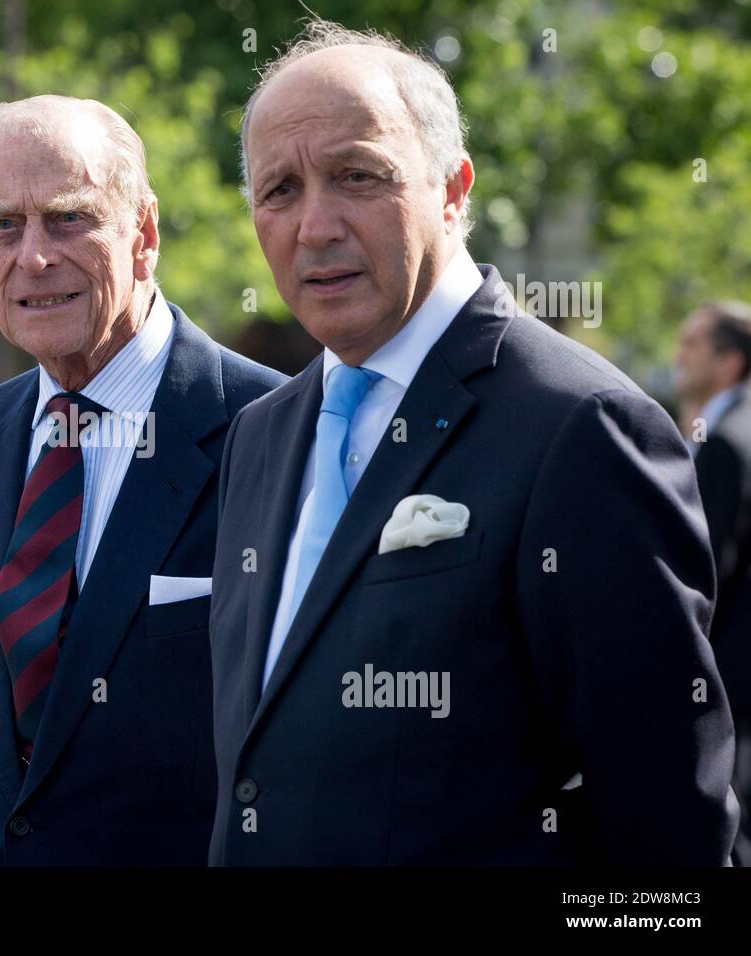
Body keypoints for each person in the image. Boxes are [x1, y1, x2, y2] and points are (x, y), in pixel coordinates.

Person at [208, 19, 739, 865]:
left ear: (454, 190)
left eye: (356, 176)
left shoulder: (582, 426)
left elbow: (668, 823)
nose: (315, 225)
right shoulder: (262, 432)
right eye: (280, 191)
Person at [0, 94, 285, 865]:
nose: (35, 257)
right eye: (4, 226)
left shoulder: (275, 432)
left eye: (68, 218)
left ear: (143, 234)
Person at [675, 300, 751, 862]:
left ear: (730, 362)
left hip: (731, 665)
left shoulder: (728, 439)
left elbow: (709, 570)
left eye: (694, 343)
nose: (680, 354)